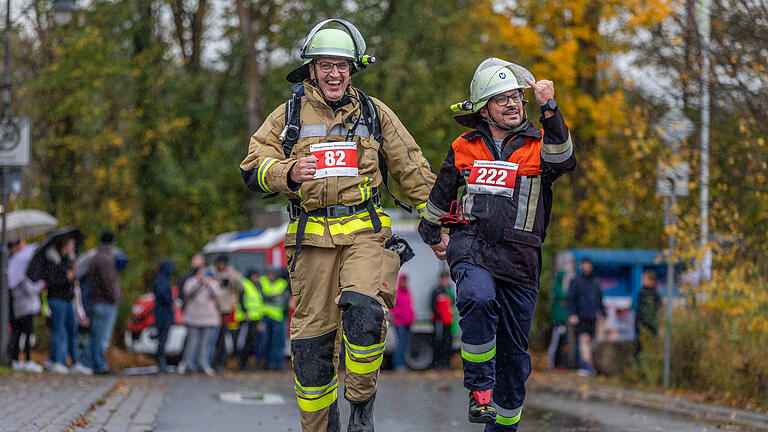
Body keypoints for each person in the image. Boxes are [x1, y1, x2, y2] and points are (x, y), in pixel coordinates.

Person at [240, 19, 435, 432]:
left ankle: (361, 408)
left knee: (365, 313)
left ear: (353, 69)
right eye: (326, 65)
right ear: (311, 69)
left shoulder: (373, 113)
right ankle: (322, 426)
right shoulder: (287, 116)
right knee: (312, 351)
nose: (334, 73)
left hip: (366, 232)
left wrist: (443, 221)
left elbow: (413, 170)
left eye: (343, 66)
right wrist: (288, 173)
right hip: (310, 243)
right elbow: (253, 167)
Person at [418, 58, 575, 429]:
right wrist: (431, 234)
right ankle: (479, 391)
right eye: (501, 98)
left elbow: (565, 161)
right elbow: (440, 196)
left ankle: (501, 423)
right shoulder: (464, 146)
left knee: (514, 363)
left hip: (522, 260)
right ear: (484, 109)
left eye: (517, 97)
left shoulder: (539, 145)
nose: (513, 104)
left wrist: (549, 108)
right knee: (478, 296)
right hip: (472, 246)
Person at [42, 235, 92, 374]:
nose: (72, 248)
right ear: (63, 246)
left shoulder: (68, 262)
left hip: (68, 300)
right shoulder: (53, 261)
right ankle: (58, 361)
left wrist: (71, 278)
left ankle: (75, 362)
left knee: (72, 331)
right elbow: (51, 283)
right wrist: (66, 278)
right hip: (57, 300)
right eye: (70, 245)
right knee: (59, 331)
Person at [83, 231, 122, 375]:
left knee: (97, 336)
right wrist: (115, 299)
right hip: (105, 303)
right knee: (101, 337)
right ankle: (98, 365)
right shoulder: (105, 260)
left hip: (99, 301)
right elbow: (109, 283)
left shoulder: (96, 258)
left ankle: (89, 362)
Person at [7, 241, 45, 372]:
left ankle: (16, 359)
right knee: (26, 334)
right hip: (25, 307)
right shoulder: (19, 270)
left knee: (18, 333)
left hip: (20, 307)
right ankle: (26, 359)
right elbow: (29, 289)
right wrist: (40, 285)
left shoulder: (13, 267)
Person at [178, 267, 221, 376]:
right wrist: (199, 283)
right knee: (192, 342)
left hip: (209, 318)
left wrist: (208, 284)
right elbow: (187, 292)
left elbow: (217, 294)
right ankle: (188, 364)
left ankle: (203, 364)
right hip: (193, 317)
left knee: (205, 344)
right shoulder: (191, 281)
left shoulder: (212, 282)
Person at [567, 258, 605, 376]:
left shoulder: (595, 282)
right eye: (584, 265)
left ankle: (589, 365)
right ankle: (585, 365)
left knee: (591, 341)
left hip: (592, 316)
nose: (586, 267)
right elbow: (570, 299)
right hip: (580, 316)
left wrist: (603, 314)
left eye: (588, 265)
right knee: (584, 339)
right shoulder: (576, 281)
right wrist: (572, 314)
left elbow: (599, 299)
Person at [212, 254, 244, 371]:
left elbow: (241, 286)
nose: (221, 266)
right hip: (213, 310)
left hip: (225, 310)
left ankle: (220, 361)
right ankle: (213, 360)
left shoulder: (230, 274)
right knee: (213, 338)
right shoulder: (212, 273)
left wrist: (233, 276)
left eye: (223, 263)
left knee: (222, 337)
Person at [257, 267, 289, 371]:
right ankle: (267, 363)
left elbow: (283, 299)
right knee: (265, 341)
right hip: (265, 315)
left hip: (278, 317)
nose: (270, 276)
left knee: (278, 342)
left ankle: (277, 364)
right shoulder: (263, 281)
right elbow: (263, 296)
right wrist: (274, 297)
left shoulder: (282, 283)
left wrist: (270, 298)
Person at [235, 269, 264, 370]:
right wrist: (245, 313)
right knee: (244, 343)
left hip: (255, 319)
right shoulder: (245, 284)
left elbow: (259, 304)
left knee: (252, 343)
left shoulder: (257, 286)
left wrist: (260, 320)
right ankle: (241, 363)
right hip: (246, 319)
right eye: (256, 276)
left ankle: (247, 363)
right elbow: (241, 300)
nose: (257, 278)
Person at [153, 260, 176, 373]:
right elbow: (162, 294)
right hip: (163, 314)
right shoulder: (162, 280)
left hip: (162, 313)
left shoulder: (161, 279)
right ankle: (161, 363)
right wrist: (170, 302)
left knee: (163, 339)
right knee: (162, 339)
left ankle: (161, 362)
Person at [430, 271, 454, 371]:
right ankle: (438, 364)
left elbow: (452, 303)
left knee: (448, 344)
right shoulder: (436, 291)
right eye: (443, 279)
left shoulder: (449, 291)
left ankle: (446, 364)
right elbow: (432, 306)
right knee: (439, 343)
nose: (445, 281)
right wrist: (438, 317)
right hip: (439, 322)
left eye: (446, 279)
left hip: (448, 322)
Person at [635, 269, 661, 357]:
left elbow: (652, 314)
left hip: (649, 328)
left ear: (652, 281)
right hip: (642, 328)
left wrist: (651, 327)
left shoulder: (653, 296)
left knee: (648, 350)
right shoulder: (642, 294)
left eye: (644, 279)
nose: (642, 281)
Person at [391, 273, 414, 372]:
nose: (405, 282)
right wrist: (401, 314)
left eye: (406, 280)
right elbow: (392, 308)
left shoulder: (408, 292)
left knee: (405, 345)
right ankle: (398, 365)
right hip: (400, 323)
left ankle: (403, 364)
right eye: (403, 280)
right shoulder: (397, 292)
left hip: (408, 323)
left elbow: (409, 306)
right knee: (400, 345)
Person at [547, 270, 569, 370]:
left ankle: (559, 364)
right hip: (557, 321)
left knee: (561, 343)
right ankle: (551, 364)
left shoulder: (561, 289)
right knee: (554, 343)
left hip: (563, 321)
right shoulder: (557, 289)